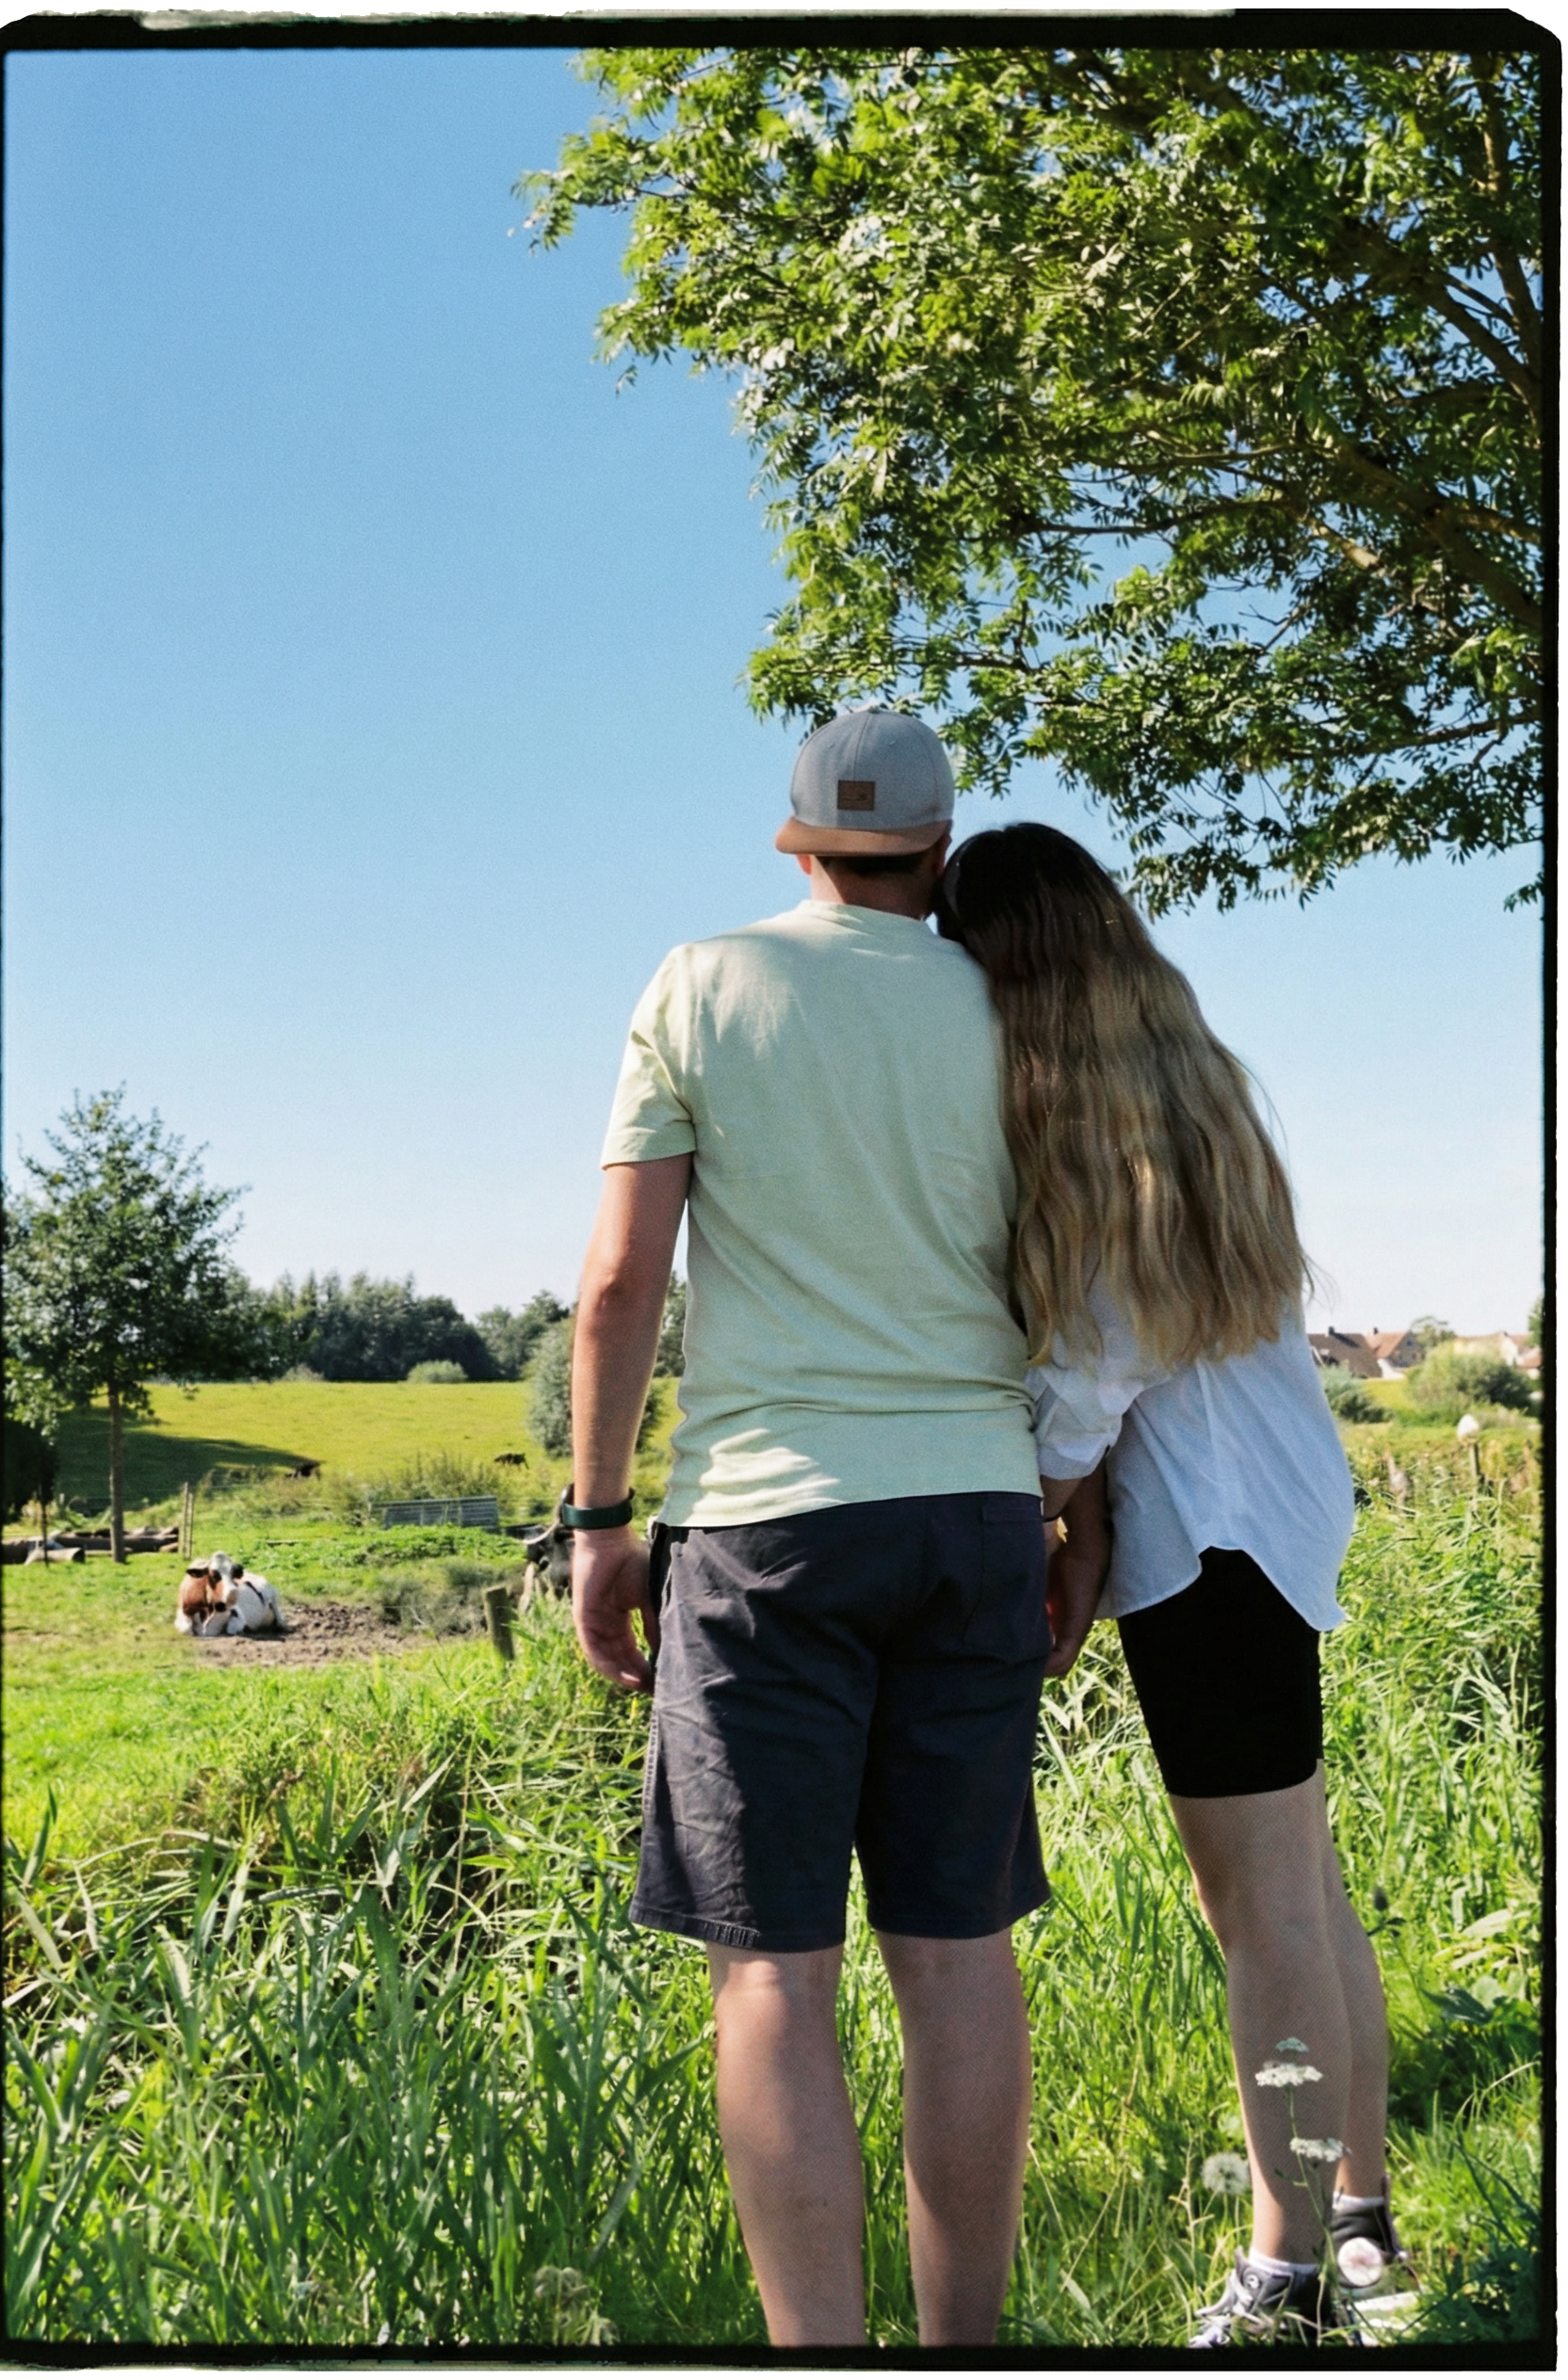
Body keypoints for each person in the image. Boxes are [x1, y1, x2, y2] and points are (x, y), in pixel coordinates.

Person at [565, 711, 1098, 2349]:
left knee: (774, 1975)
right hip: (973, 1512)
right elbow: (1072, 1276)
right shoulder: (1015, 1007)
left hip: (764, 1532)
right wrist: (1064, 1517)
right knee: (956, 1958)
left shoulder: (701, 983)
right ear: (939, 851)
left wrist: (596, 1523)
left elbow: (617, 1289)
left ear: (793, 842)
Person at [935, 820, 1406, 2351]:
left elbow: (1091, 1361)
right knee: (1303, 1885)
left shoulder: (1076, 1114)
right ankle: (1355, 2217)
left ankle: (1282, 2279)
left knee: (1257, 1908)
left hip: (1203, 1537)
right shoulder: (1190, 1078)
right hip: (1269, 1514)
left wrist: (1051, 1509)